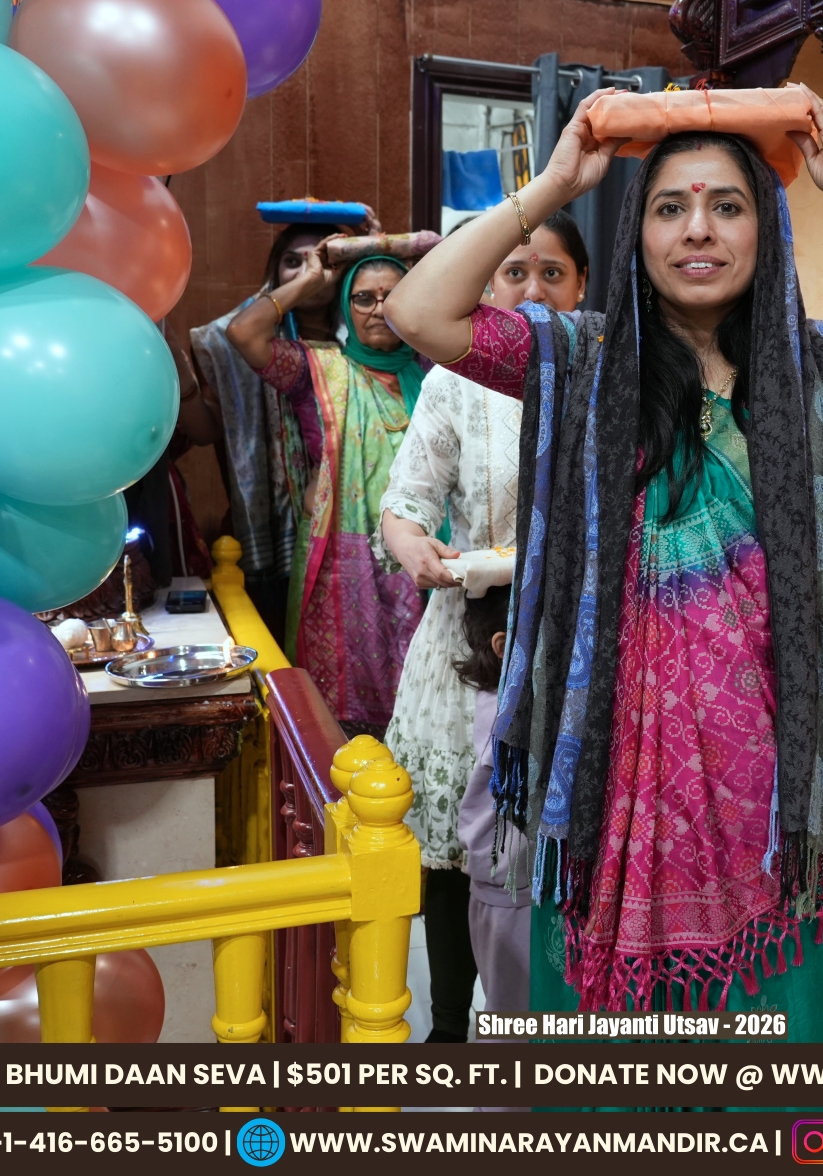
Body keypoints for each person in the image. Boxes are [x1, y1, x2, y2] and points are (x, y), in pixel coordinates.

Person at [385, 86, 823, 1033]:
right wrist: (552, 187)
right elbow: (419, 312)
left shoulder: (819, 372)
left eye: (728, 205)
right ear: (637, 235)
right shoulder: (581, 363)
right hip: (609, 784)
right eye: (670, 208)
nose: (698, 230)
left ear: (768, 231)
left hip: (766, 793)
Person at [379, 211, 588, 1041]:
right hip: (471, 642)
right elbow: (405, 504)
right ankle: (449, 1028)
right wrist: (412, 545)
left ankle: (552, 1022)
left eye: (553, 273)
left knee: (562, 846)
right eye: (514, 272)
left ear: (583, 286)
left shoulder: (613, 377)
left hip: (585, 641)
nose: (533, 291)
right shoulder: (456, 380)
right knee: (459, 852)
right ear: (485, 284)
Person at [224, 244, 427, 736]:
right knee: (342, 720)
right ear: (345, 306)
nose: (378, 308)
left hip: (424, 558)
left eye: (393, 296)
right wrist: (309, 280)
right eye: (364, 298)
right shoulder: (317, 369)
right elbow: (243, 333)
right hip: (344, 566)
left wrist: (416, 247)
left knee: (424, 704)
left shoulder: (440, 369)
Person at [190, 217, 377, 639]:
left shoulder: (365, 346)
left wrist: (371, 251)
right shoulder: (247, 343)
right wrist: (308, 281)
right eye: (292, 261)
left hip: (350, 525)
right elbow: (237, 335)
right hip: (272, 526)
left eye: (321, 260)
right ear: (274, 273)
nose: (307, 269)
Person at [454, 583, 529, 1020]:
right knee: (512, 1017)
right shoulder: (510, 712)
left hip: (506, 887)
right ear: (503, 647)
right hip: (508, 893)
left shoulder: (498, 696)